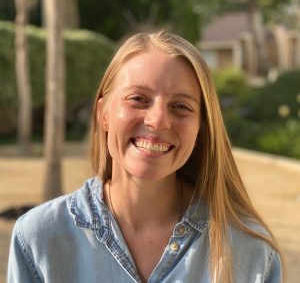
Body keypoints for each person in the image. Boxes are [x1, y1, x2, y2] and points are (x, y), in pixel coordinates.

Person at [8, 31, 282, 283]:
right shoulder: (38, 239)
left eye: (180, 106)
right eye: (138, 99)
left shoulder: (251, 254)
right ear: (103, 114)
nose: (158, 120)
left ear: (201, 128)